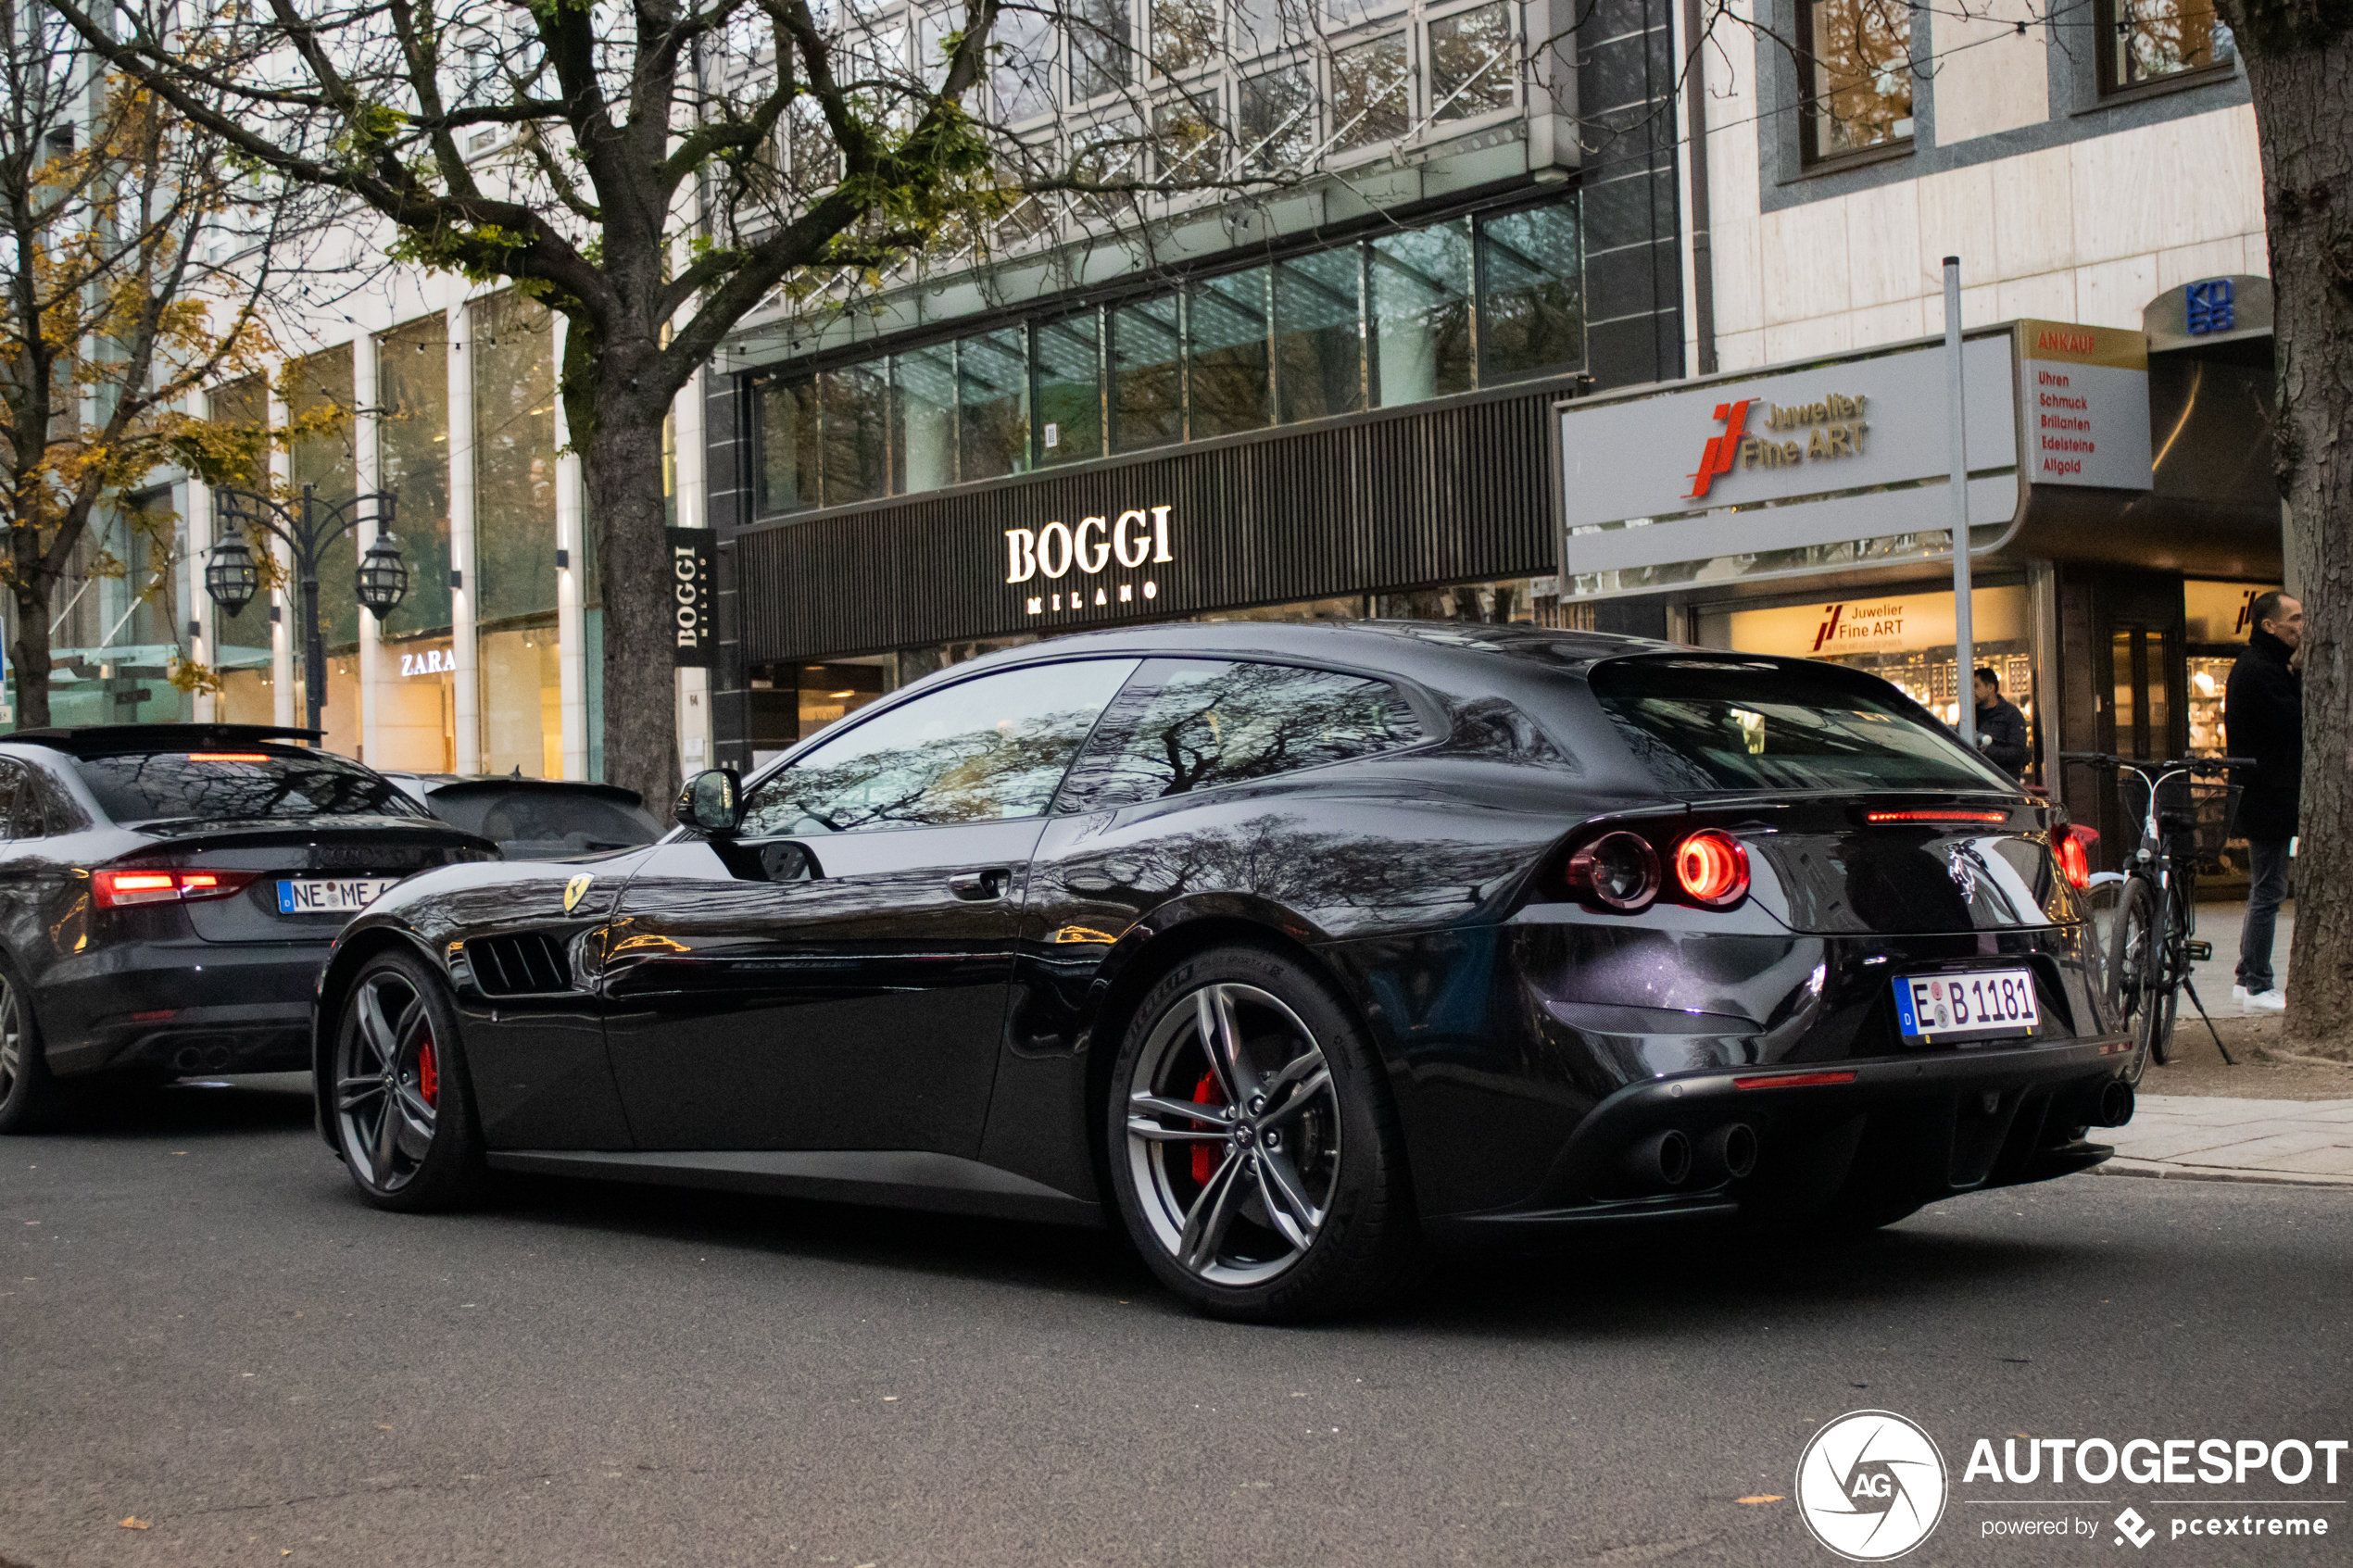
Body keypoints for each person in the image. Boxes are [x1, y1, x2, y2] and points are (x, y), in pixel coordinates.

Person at [2224, 590, 2303, 1014]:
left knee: (2266, 888)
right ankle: (2255, 982)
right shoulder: (2260, 669)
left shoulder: (2261, 665)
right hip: (2267, 796)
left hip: (2266, 795)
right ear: (2269, 625)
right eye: (2293, 619)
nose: (2300, 626)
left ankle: (2248, 979)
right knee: (2269, 890)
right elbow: (2292, 722)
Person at [1970, 667, 2030, 780]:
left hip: (2002, 783)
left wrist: (1986, 750)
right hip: (1977, 781)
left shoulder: (2011, 715)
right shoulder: (1971, 715)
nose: (1973, 691)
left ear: (1991, 687)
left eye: (1976, 686)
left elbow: (2018, 753)